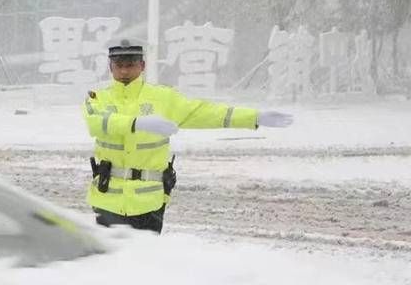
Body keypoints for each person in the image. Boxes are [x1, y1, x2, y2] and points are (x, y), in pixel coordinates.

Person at [83, 37, 293, 234]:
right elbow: (96, 123)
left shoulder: (163, 99)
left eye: (130, 65)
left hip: (148, 203)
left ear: (142, 66)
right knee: (110, 269)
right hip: (107, 201)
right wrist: (138, 123)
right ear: (110, 67)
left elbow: (206, 113)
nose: (124, 71)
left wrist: (254, 117)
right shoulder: (98, 98)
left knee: (145, 267)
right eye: (119, 65)